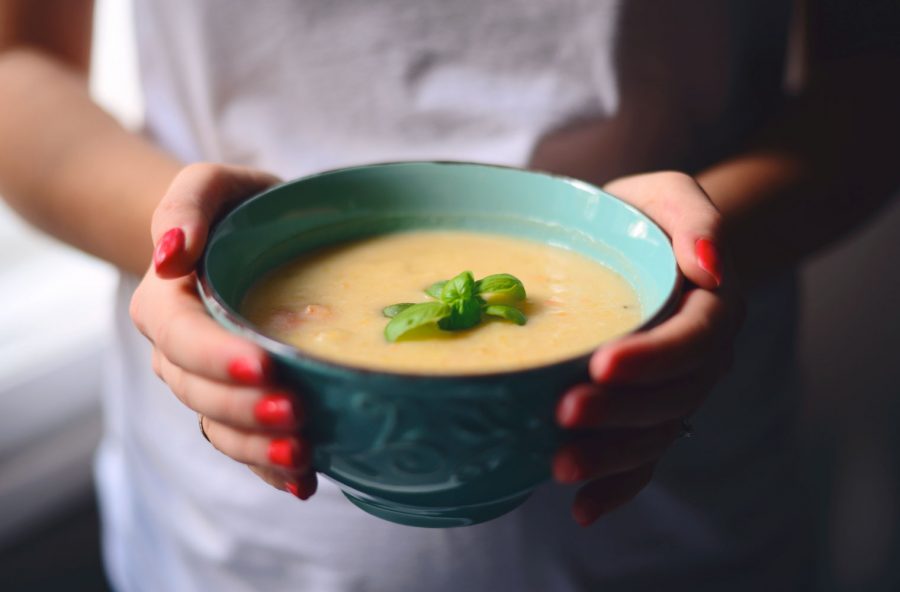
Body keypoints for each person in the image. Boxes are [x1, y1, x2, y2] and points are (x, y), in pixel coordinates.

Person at [1, 0, 897, 590]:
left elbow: (875, 76)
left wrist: (697, 249)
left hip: (682, 514)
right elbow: (17, 66)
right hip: (234, 536)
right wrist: (184, 251)